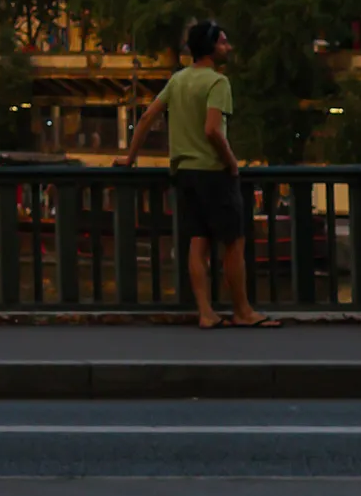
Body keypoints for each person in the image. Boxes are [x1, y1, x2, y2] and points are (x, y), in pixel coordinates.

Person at [118, 20, 280, 329]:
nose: (228, 47)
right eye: (223, 42)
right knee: (233, 243)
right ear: (211, 47)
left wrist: (129, 158)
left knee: (198, 242)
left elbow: (147, 117)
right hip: (213, 173)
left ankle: (206, 312)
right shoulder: (218, 83)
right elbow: (212, 130)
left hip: (184, 174)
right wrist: (231, 162)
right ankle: (243, 312)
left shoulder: (178, 80)